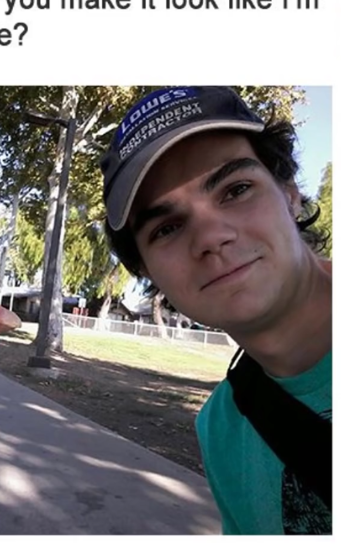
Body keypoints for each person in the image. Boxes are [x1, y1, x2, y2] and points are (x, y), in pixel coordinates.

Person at [99, 86, 332, 535]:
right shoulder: (223, 432)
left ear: (290, 194)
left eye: (236, 189)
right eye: (167, 227)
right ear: (147, 271)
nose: (210, 236)